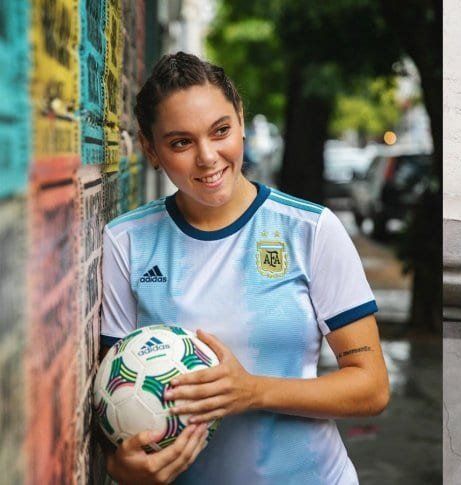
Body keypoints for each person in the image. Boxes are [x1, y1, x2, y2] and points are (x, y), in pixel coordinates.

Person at [99, 52, 389, 485]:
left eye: (221, 131)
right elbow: (112, 401)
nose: (208, 157)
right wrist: (119, 466)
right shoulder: (126, 242)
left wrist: (252, 391)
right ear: (150, 149)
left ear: (241, 119)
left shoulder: (310, 231)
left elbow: (371, 387)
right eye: (181, 142)